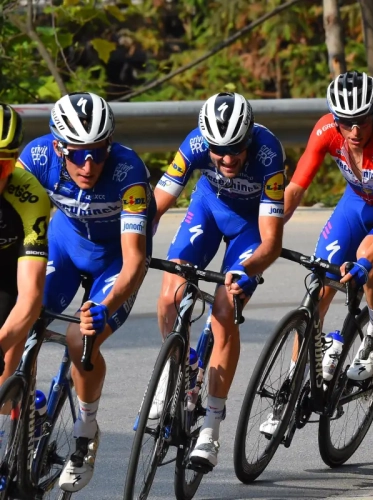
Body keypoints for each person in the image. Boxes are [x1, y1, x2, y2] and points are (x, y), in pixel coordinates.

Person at [272, 70, 373, 432]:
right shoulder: (326, 130)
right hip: (356, 200)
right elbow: (295, 188)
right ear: (335, 117)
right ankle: (295, 382)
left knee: (368, 257)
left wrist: (366, 262)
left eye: (363, 120)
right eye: (346, 122)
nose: (355, 131)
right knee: (320, 281)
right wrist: (270, 230)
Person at [16, 92, 154, 492]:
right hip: (63, 244)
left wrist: (104, 306)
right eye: (77, 155)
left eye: (98, 152)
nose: (89, 165)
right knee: (22, 318)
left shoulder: (128, 171)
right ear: (59, 147)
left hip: (115, 261)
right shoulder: (37, 157)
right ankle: (26, 409)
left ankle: (85, 431)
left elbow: (133, 262)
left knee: (80, 338)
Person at [152, 92, 285, 470]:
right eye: (218, 150)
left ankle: (211, 426)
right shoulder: (194, 143)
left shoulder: (268, 153)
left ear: (249, 139)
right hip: (207, 210)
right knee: (169, 294)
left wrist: (249, 270)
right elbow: (157, 202)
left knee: (225, 311)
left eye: (236, 150)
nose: (227, 159)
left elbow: (273, 242)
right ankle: (174, 372)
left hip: (251, 227)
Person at [0, 103, 51, 379]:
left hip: (8, 276)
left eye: (1, 167)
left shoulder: (29, 196)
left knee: (3, 377)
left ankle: (20, 406)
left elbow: (30, 295)